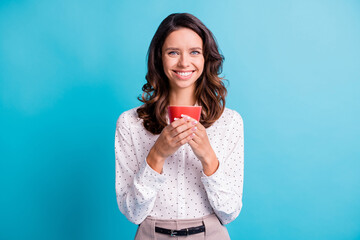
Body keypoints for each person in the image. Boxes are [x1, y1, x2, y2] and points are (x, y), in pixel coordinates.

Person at [115, 13, 244, 240]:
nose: (184, 62)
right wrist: (156, 155)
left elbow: (230, 212)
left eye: (194, 52)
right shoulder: (130, 123)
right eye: (173, 52)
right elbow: (133, 213)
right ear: (159, 58)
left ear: (206, 58)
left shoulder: (230, 122)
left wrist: (208, 157)